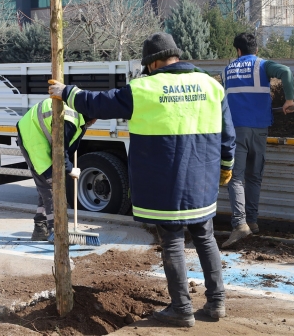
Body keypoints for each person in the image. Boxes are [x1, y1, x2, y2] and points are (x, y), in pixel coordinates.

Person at [48, 32, 236, 327]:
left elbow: (97, 103)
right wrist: (226, 167)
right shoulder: (212, 86)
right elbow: (228, 135)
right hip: (202, 180)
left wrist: (65, 91)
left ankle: (181, 310)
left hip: (165, 183)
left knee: (172, 242)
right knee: (205, 236)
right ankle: (217, 303)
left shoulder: (143, 88)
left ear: (151, 63)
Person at [222, 33, 294, 248]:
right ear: (256, 49)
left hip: (237, 130)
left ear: (237, 51)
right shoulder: (261, 65)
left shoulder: (227, 71)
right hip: (260, 129)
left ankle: (240, 224)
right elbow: (286, 71)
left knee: (235, 178)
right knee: (254, 177)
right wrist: (289, 99)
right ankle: (252, 221)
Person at [16, 98, 95, 241]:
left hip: (37, 134)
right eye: (95, 118)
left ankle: (40, 228)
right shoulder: (70, 120)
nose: (95, 122)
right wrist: (70, 169)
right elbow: (60, 151)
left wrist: (68, 165)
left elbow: (66, 147)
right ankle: (56, 231)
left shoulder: (76, 117)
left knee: (44, 187)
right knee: (51, 185)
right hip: (33, 138)